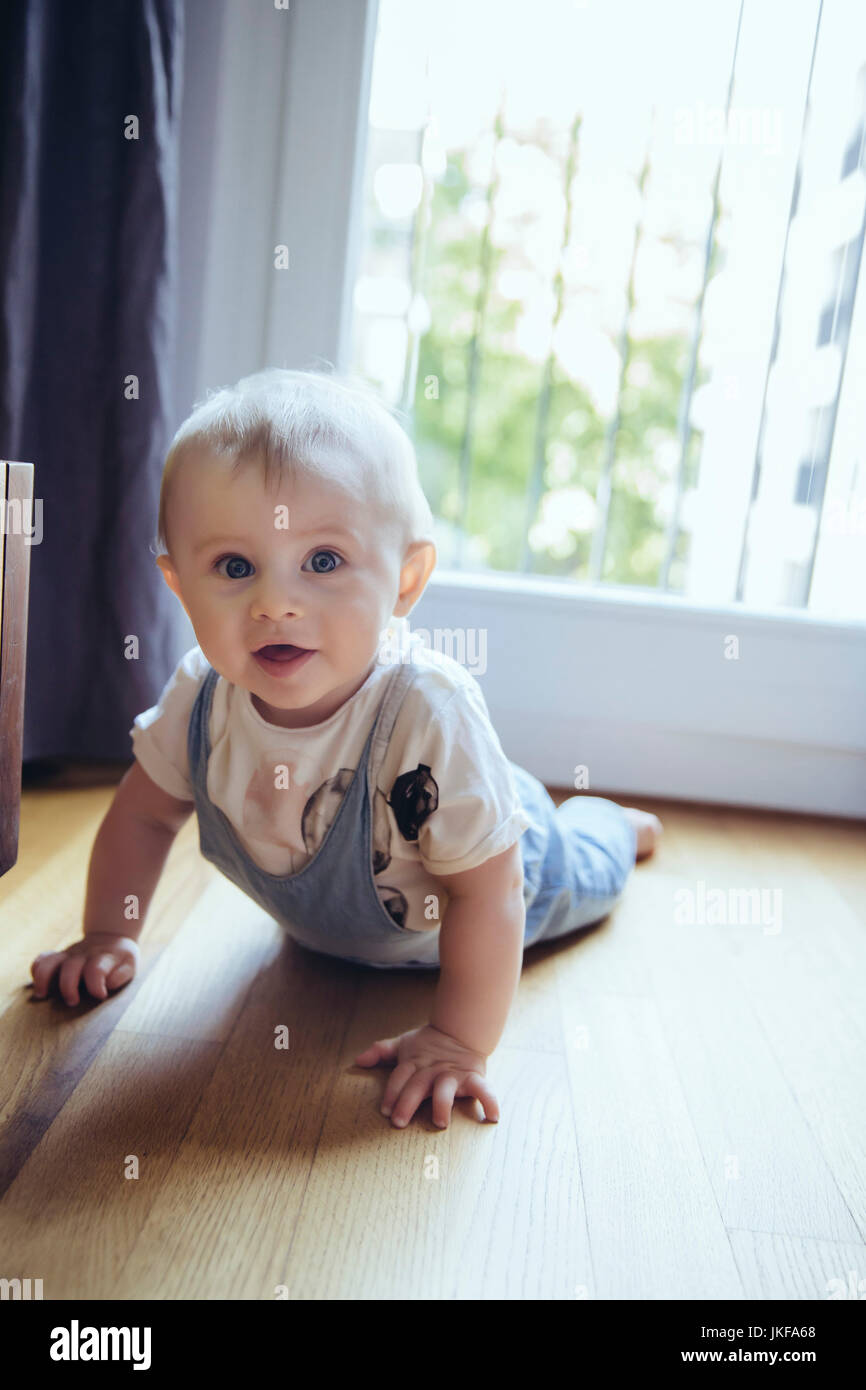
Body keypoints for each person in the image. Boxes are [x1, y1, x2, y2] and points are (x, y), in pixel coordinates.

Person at [30, 368, 662, 1130]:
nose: (276, 602)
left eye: (323, 561)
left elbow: (488, 894)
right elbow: (142, 817)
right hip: (338, 927)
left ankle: (613, 826)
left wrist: (460, 1042)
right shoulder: (202, 698)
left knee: (587, 869)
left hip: (502, 871)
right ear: (176, 583)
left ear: (405, 579)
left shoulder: (430, 709)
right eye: (235, 567)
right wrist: (108, 933)